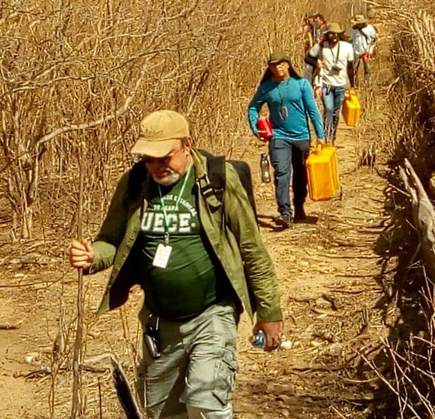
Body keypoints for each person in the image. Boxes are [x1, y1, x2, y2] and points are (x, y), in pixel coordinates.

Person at [68, 110, 283, 419]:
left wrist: (269, 311)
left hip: (212, 312)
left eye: (164, 157)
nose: (157, 166)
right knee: (162, 414)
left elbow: (252, 248)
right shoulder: (134, 185)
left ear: (187, 145)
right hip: (159, 323)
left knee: (207, 403)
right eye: (149, 159)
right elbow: (111, 241)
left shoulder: (217, 179)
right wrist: (91, 257)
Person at [247, 52, 325, 228]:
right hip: (278, 137)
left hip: (301, 137)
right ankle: (285, 212)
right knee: (282, 172)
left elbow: (313, 111)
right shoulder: (266, 88)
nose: (277, 68)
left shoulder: (301, 84)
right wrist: (255, 127)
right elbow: (253, 107)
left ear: (288, 65)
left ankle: (299, 206)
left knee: (300, 175)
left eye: (281, 64)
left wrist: (320, 136)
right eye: (273, 65)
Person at [305, 22, 355, 144]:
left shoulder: (347, 47)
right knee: (328, 108)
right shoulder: (321, 45)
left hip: (340, 85)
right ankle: (325, 136)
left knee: (336, 113)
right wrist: (316, 62)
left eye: (336, 34)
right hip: (326, 84)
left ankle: (332, 135)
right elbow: (307, 58)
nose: (334, 36)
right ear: (328, 35)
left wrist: (352, 85)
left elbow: (350, 67)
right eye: (331, 34)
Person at [349, 14, 378, 87]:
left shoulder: (369, 28)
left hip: (366, 51)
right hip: (356, 51)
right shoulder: (353, 30)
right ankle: (355, 84)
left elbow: (374, 39)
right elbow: (351, 39)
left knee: (367, 68)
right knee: (354, 69)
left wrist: (370, 50)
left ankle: (367, 83)